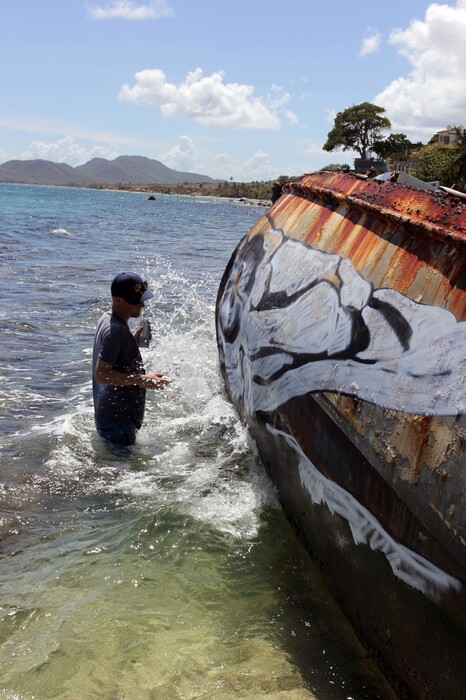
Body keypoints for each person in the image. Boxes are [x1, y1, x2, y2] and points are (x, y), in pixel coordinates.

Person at [92, 272, 170, 446]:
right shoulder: (116, 331)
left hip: (109, 419)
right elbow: (102, 375)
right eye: (135, 300)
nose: (142, 305)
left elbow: (113, 356)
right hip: (117, 425)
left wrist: (132, 341)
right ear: (118, 300)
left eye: (142, 299)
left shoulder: (107, 319)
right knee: (121, 471)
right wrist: (143, 380)